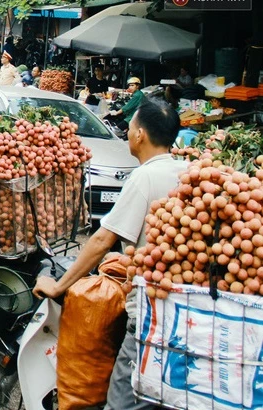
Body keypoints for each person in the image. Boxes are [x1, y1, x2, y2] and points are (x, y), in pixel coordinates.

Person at [33, 98, 188, 410]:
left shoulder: (144, 176)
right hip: (183, 312)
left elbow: (102, 239)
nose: (128, 133)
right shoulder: (188, 170)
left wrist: (60, 286)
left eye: (130, 128)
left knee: (121, 401)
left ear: (140, 134)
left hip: (151, 313)